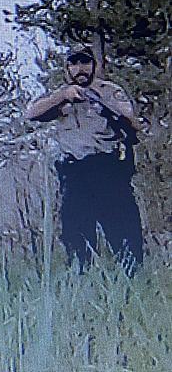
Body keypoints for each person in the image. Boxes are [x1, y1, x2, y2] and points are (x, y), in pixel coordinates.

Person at [24, 46, 143, 272]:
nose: (81, 68)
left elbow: (130, 119)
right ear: (68, 68)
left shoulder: (109, 90)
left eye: (85, 63)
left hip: (107, 169)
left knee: (123, 233)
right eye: (75, 63)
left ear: (93, 66)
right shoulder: (59, 95)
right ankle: (82, 281)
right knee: (76, 235)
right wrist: (63, 96)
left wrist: (98, 101)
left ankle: (131, 283)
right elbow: (32, 114)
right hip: (75, 172)